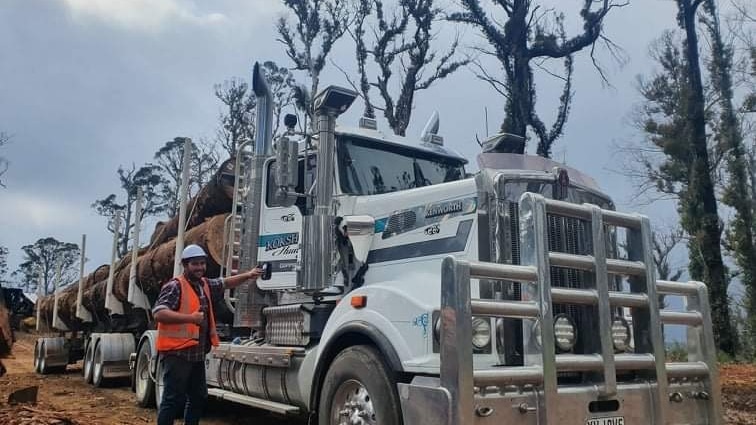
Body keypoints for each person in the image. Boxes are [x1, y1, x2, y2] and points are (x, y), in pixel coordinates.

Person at [153, 244, 262, 425]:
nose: (200, 268)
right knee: (173, 400)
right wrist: (190, 318)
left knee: (198, 397)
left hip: (196, 354)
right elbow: (158, 313)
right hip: (177, 354)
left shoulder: (204, 284)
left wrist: (248, 275)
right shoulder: (175, 286)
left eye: (202, 263)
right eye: (195, 264)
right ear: (185, 265)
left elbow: (225, 282)